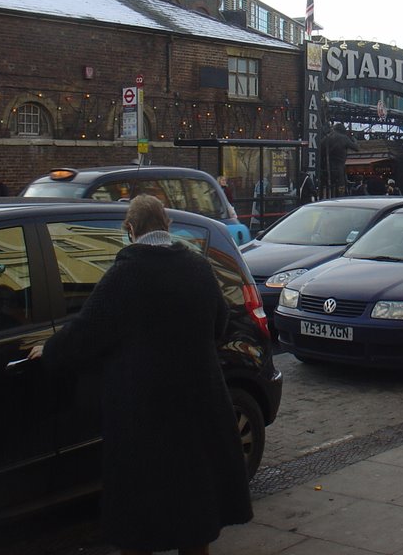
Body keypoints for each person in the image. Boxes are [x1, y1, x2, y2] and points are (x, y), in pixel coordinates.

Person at [28, 195, 252, 555]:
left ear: (130, 229)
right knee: (194, 509)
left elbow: (88, 332)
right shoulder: (197, 267)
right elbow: (220, 324)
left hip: (144, 410)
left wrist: (50, 349)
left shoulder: (126, 274)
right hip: (197, 402)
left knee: (140, 515)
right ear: (167, 226)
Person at [319, 123, 359, 197]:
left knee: (327, 186)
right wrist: (354, 139)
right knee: (341, 187)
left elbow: (320, 150)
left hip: (327, 166)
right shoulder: (344, 138)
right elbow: (356, 148)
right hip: (339, 166)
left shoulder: (327, 138)